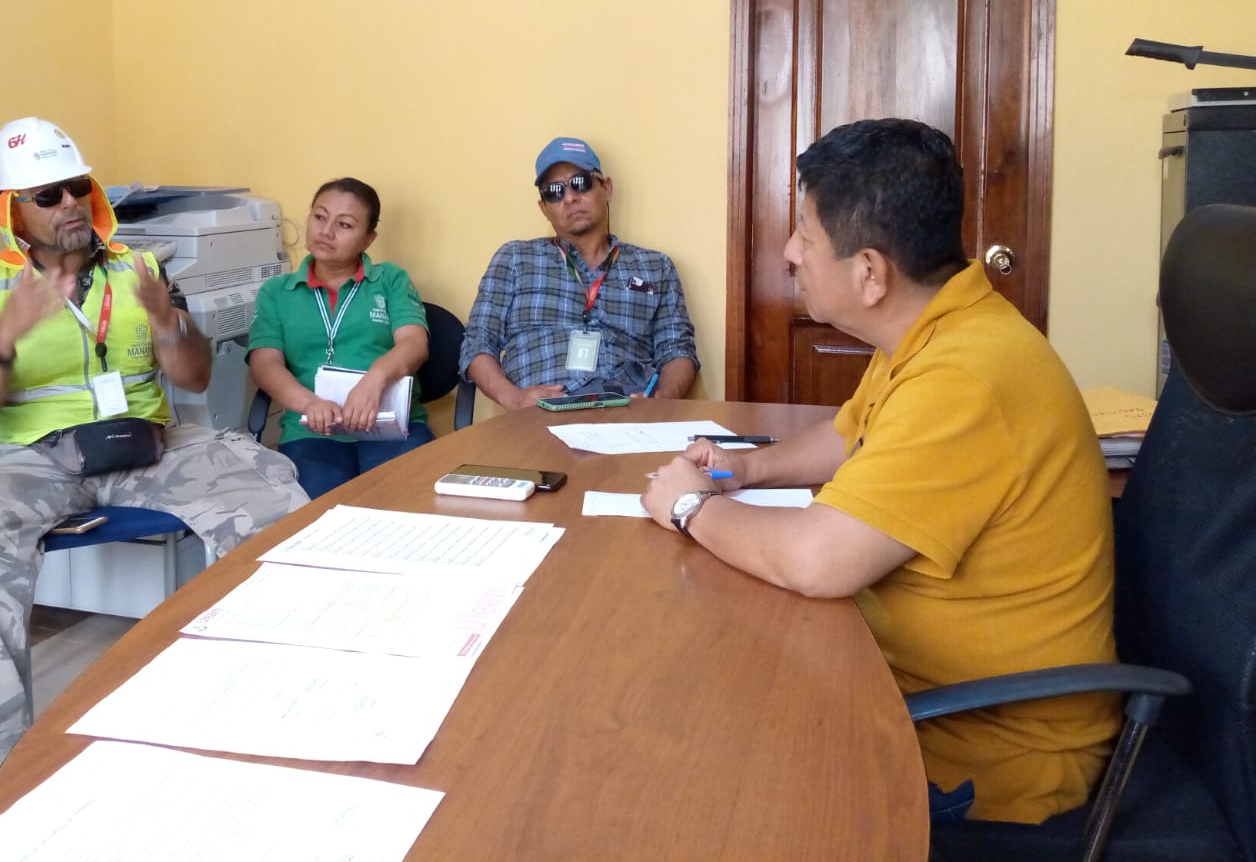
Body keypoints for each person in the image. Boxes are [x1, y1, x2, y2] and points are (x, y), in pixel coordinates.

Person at [642, 118, 1119, 825]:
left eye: (805, 235)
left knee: (688, 766)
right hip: (898, 680)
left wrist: (691, 508)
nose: (790, 252)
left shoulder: (965, 377)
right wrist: (745, 469)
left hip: (986, 751)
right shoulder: (937, 327)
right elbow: (851, 438)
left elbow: (818, 561)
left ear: (869, 273)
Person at [0, 118, 307, 861]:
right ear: (9, 209)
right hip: (28, 458)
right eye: (47, 195)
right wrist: (6, 336)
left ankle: (280, 720)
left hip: (145, 441)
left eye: (77, 187)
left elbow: (194, 378)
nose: (70, 203)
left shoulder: (141, 270)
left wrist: (168, 323)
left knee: (274, 498)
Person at [459, 135, 699, 410]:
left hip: (630, 410)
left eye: (581, 183)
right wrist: (514, 398)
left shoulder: (655, 266)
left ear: (606, 188)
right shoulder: (515, 259)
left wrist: (664, 399)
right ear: (544, 207)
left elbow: (677, 350)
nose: (570, 198)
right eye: (554, 192)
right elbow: (478, 344)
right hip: (543, 413)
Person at [247, 178, 433, 498]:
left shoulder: (390, 280)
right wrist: (309, 404)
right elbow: (265, 364)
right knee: (320, 513)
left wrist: (374, 381)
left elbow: (414, 344)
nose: (326, 231)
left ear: (368, 239)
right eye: (319, 217)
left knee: (404, 503)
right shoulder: (276, 292)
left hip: (391, 426)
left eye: (344, 224)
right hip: (313, 432)